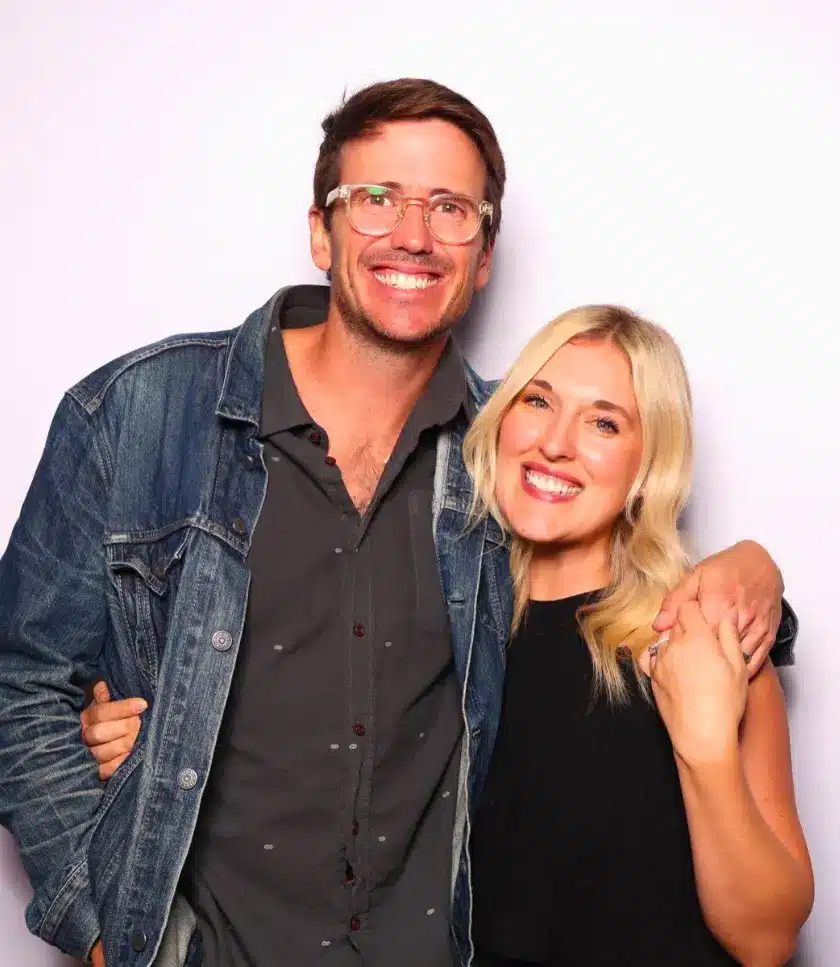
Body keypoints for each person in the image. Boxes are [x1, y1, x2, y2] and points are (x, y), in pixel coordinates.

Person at [0, 78, 796, 967]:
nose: (412, 234)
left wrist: (752, 572)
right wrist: (104, 925)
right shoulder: (138, 415)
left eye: (450, 207)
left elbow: (620, 591)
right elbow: (20, 679)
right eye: (375, 198)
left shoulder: (507, 457)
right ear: (320, 229)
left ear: (485, 253)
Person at [461, 306, 814, 966]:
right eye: (538, 400)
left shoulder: (701, 637)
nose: (556, 442)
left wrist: (705, 744)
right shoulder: (447, 629)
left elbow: (767, 941)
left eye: (603, 421)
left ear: (648, 464)